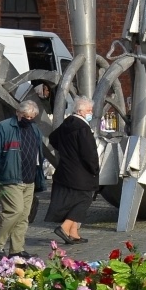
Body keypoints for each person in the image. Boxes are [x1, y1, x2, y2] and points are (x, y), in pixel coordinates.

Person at [0, 100, 47, 258]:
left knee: (24, 216)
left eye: (32, 117)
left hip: (29, 179)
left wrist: (40, 178)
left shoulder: (34, 129)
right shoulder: (3, 127)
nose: (29, 119)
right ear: (18, 113)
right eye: (26, 116)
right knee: (14, 211)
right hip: (10, 178)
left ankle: (17, 249)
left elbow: (39, 154)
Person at [46, 97, 99, 244]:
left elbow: (53, 138)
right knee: (85, 199)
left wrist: (66, 150)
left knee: (76, 199)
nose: (91, 113)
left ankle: (73, 232)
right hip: (81, 171)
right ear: (80, 111)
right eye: (89, 110)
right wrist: (94, 168)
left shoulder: (67, 124)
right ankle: (65, 227)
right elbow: (89, 153)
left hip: (66, 168)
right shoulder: (83, 128)